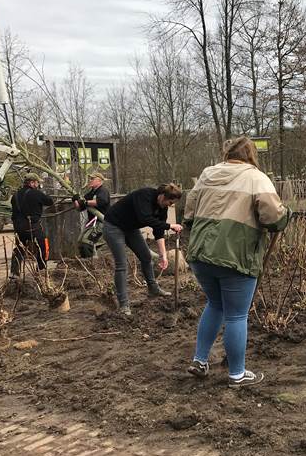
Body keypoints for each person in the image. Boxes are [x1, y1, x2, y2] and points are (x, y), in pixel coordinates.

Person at [184, 137, 290, 388]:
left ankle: (200, 360)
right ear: (251, 155)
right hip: (235, 256)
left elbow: (189, 214)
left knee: (215, 304)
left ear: (227, 154)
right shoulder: (256, 178)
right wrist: (286, 215)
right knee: (236, 315)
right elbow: (273, 217)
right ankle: (237, 374)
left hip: (201, 253)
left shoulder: (207, 174)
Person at [102, 183, 183, 316]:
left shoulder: (163, 207)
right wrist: (170, 226)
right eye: (169, 202)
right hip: (113, 227)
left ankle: (153, 289)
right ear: (162, 196)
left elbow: (158, 230)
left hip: (131, 229)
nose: (169, 205)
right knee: (122, 265)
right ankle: (123, 305)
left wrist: (163, 255)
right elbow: (144, 218)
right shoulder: (144, 195)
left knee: (146, 257)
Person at [11, 173, 54, 278]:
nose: (38, 184)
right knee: (43, 246)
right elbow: (50, 202)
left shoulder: (15, 195)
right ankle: (41, 270)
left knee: (19, 248)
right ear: (32, 183)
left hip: (18, 227)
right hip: (32, 227)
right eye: (37, 182)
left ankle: (14, 273)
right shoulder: (36, 193)